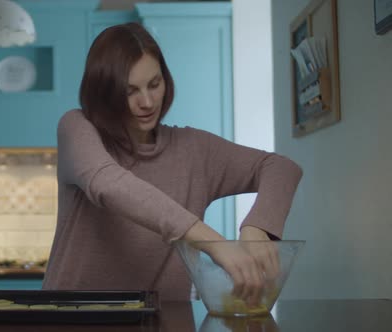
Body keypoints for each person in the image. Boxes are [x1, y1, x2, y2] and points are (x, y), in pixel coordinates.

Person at [42, 22, 302, 303]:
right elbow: (107, 183)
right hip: (70, 317)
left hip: (164, 321)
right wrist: (214, 243)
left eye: (154, 84)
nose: (147, 101)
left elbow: (281, 167)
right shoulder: (76, 127)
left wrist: (257, 227)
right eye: (130, 91)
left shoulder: (196, 150)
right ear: (104, 91)